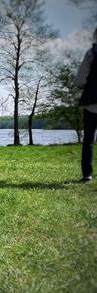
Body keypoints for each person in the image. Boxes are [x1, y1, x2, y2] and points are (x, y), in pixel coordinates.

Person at [75, 27, 97, 182]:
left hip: (92, 103)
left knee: (88, 140)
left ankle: (87, 175)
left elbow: (79, 80)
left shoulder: (92, 53)